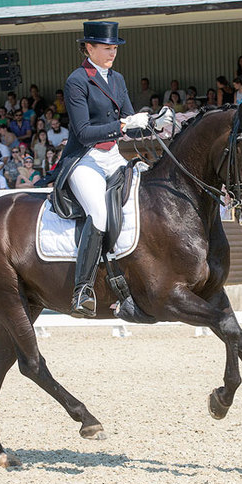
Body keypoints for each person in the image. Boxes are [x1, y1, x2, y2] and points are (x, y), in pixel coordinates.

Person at [52, 21, 150, 318]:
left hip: (113, 157)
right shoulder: (77, 80)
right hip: (86, 159)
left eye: (115, 48)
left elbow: (131, 125)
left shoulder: (117, 79)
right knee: (100, 213)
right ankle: (83, 289)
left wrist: (152, 123)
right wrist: (122, 125)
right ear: (89, 48)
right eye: (107, 48)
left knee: (145, 204)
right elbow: (83, 132)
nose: (112, 53)